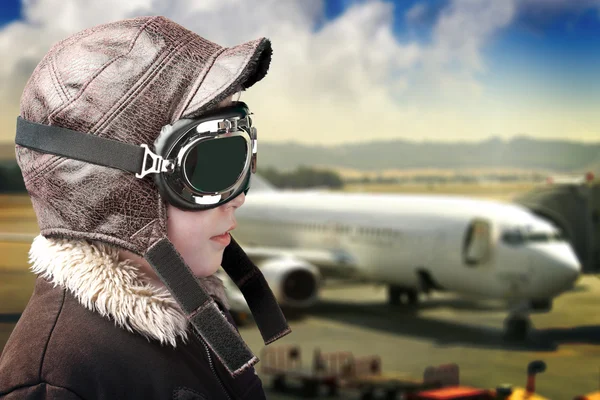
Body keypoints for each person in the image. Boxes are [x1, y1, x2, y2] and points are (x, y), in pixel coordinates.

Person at [0, 15, 290, 400]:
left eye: (241, 154)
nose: (238, 198)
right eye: (212, 165)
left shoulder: (193, 313)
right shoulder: (58, 383)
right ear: (111, 187)